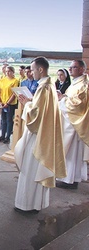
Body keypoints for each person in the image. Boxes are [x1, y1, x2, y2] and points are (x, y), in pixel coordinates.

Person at [14, 56, 66, 212]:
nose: (31, 72)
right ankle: (37, 203)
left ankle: (26, 205)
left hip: (38, 136)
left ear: (41, 69)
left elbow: (36, 115)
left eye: (33, 69)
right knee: (35, 169)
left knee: (30, 169)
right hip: (44, 134)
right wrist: (31, 102)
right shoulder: (49, 86)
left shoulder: (43, 88)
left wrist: (26, 103)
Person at [56, 60, 89, 189]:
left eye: (73, 67)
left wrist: (61, 99)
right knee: (71, 154)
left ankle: (69, 180)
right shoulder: (76, 83)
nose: (70, 70)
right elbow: (70, 98)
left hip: (74, 125)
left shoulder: (83, 85)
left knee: (71, 153)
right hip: (70, 122)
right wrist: (63, 96)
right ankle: (70, 179)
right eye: (69, 67)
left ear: (81, 69)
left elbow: (77, 106)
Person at [0, 66, 19, 144]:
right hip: (2, 103)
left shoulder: (15, 81)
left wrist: (8, 103)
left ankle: (8, 136)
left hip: (10, 104)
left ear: (13, 72)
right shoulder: (2, 80)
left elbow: (14, 93)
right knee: (3, 120)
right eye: (6, 71)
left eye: (9, 71)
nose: (7, 73)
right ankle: (2, 135)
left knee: (9, 120)